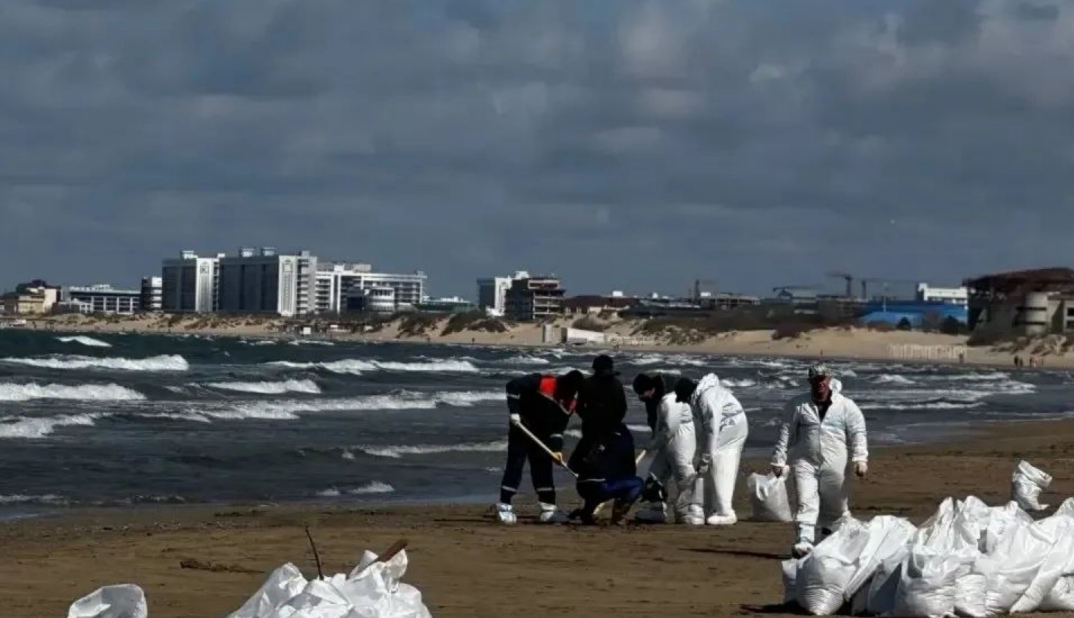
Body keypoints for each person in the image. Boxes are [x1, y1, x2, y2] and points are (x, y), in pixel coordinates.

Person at [771, 364, 868, 558]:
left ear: (829, 379)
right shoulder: (798, 405)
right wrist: (779, 459)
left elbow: (858, 432)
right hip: (805, 462)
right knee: (806, 501)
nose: (820, 383)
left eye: (823, 379)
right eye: (816, 380)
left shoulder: (846, 406)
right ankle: (804, 542)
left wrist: (860, 458)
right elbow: (786, 432)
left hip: (836, 464)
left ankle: (832, 540)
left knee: (836, 508)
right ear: (810, 382)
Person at [495, 369, 585, 525]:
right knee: (515, 466)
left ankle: (548, 508)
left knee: (543, 469)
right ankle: (505, 505)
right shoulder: (541, 381)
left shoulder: (569, 403)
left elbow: (558, 429)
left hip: (542, 437)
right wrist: (514, 412)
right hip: (522, 429)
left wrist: (556, 450)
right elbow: (513, 386)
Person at [674, 373, 748, 526]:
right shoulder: (704, 395)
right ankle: (717, 508)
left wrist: (705, 458)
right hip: (733, 427)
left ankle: (726, 512)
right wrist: (704, 457)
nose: (686, 403)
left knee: (720, 466)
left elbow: (711, 430)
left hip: (730, 429)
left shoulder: (705, 399)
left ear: (689, 395)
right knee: (719, 468)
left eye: (684, 399)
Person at [631, 373, 704, 525]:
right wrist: (655, 438)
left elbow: (670, 427)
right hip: (666, 439)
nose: (641, 397)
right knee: (655, 474)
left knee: (683, 471)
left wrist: (653, 443)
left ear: (650, 389)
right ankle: (656, 509)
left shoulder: (670, 399)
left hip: (681, 436)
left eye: (642, 393)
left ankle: (691, 510)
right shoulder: (653, 398)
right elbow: (656, 422)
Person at [571, 422, 644, 526]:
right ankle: (619, 515)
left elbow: (572, 464)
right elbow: (630, 467)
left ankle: (586, 512)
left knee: (596, 481)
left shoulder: (589, 435)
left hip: (582, 486)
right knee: (637, 483)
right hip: (602, 487)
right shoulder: (623, 437)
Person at [568, 355, 628, 476]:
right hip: (609, 428)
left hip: (591, 427)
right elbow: (622, 408)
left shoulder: (587, 384)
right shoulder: (616, 384)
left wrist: (587, 417)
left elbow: (579, 407)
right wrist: (615, 423)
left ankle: (587, 478)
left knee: (577, 462)